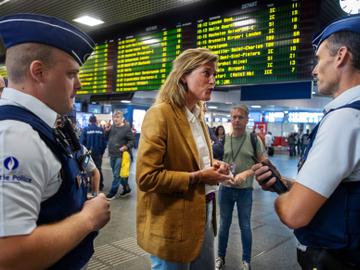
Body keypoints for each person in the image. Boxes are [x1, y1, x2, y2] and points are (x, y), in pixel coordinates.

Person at [0, 13, 111, 270]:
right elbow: (8, 255)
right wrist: (87, 220)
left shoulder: (40, 126)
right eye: (71, 74)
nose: (79, 84)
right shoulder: (17, 137)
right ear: (38, 71)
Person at [252, 15, 360, 269]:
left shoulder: (345, 118)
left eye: (319, 59)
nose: (314, 69)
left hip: (337, 259)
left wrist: (283, 198)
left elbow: (294, 214)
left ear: (341, 56)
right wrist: (287, 185)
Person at [136, 48, 233, 270]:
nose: (213, 80)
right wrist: (199, 176)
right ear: (183, 76)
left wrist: (212, 166)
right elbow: (147, 178)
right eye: (206, 73)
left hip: (202, 212)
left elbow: (190, 159)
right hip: (172, 221)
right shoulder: (160, 114)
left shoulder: (197, 116)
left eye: (214, 75)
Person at [215, 106, 267, 270]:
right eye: (234, 117)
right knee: (224, 225)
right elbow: (215, 163)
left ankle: (246, 261)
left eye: (240, 117)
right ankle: (220, 257)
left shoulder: (253, 139)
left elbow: (263, 162)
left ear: (246, 119)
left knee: (245, 225)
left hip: (245, 190)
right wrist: (223, 173)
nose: (236, 120)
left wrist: (245, 174)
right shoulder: (223, 140)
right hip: (226, 189)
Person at [105, 110, 134, 199]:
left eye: (117, 117)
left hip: (120, 155)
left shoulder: (126, 128)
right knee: (118, 174)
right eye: (114, 117)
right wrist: (106, 131)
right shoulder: (112, 127)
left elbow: (132, 141)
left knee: (116, 175)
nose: (115, 119)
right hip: (112, 154)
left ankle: (112, 192)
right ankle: (127, 188)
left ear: (122, 118)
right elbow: (107, 138)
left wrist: (126, 146)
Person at [80, 115, 107, 190]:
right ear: (96, 121)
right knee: (98, 169)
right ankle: (100, 185)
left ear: (89, 121)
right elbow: (104, 143)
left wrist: (84, 154)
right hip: (98, 154)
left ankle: (89, 186)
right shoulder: (101, 130)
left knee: (88, 169)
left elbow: (81, 143)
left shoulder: (85, 130)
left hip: (88, 155)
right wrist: (101, 152)